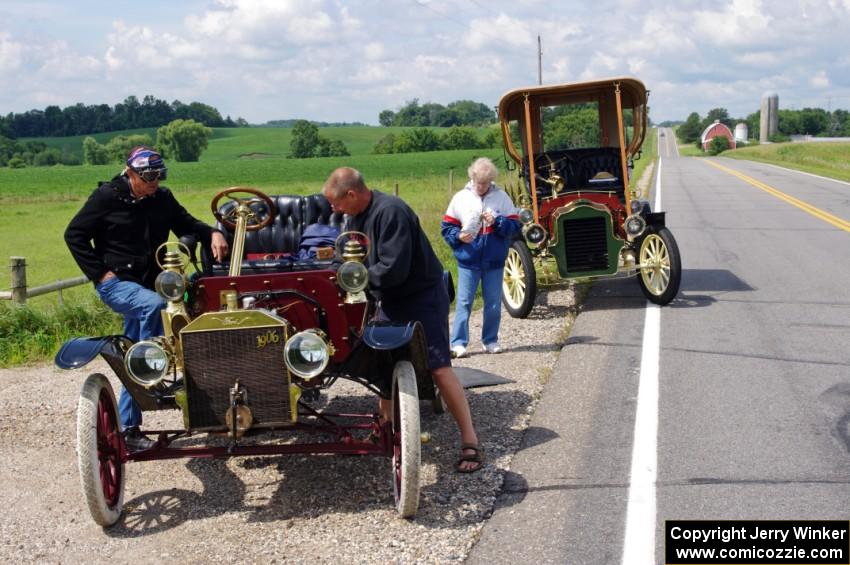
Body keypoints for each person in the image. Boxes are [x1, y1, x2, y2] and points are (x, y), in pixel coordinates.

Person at [65, 146, 228, 451]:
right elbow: (73, 234)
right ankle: (157, 366)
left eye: (159, 175)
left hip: (153, 283)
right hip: (118, 284)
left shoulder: (161, 198)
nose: (154, 181)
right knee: (153, 310)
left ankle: (130, 427)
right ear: (130, 173)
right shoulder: (106, 198)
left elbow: (187, 224)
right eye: (148, 176)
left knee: (138, 343)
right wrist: (100, 273)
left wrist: (213, 233)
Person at [322, 167, 484, 473]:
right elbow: (343, 255)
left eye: (337, 203)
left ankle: (470, 440)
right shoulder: (354, 216)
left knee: (438, 367)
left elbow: (393, 269)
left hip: (421, 295)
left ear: (352, 194)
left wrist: (353, 280)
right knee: (383, 362)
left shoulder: (391, 212)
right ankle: (384, 428)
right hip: (389, 296)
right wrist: (335, 273)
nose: (334, 209)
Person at [441, 157, 520, 358]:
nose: (481, 187)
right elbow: (447, 227)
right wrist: (458, 236)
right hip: (468, 259)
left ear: (491, 180)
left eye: (485, 183)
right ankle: (458, 343)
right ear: (472, 178)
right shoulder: (460, 198)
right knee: (464, 302)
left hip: (494, 260)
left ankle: (490, 340)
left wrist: (498, 221)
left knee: (493, 302)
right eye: (478, 183)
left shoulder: (501, 198)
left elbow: (514, 227)